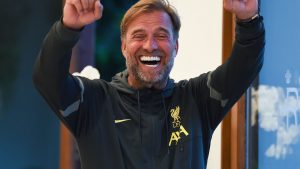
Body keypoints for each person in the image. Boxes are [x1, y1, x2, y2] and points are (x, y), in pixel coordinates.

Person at [33, 0, 265, 168]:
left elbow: (244, 68)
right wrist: (67, 28)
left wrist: (248, 20)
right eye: (139, 36)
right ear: (124, 47)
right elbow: (47, 78)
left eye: (162, 35)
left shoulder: (198, 100)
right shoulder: (93, 101)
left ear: (175, 47)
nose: (150, 45)